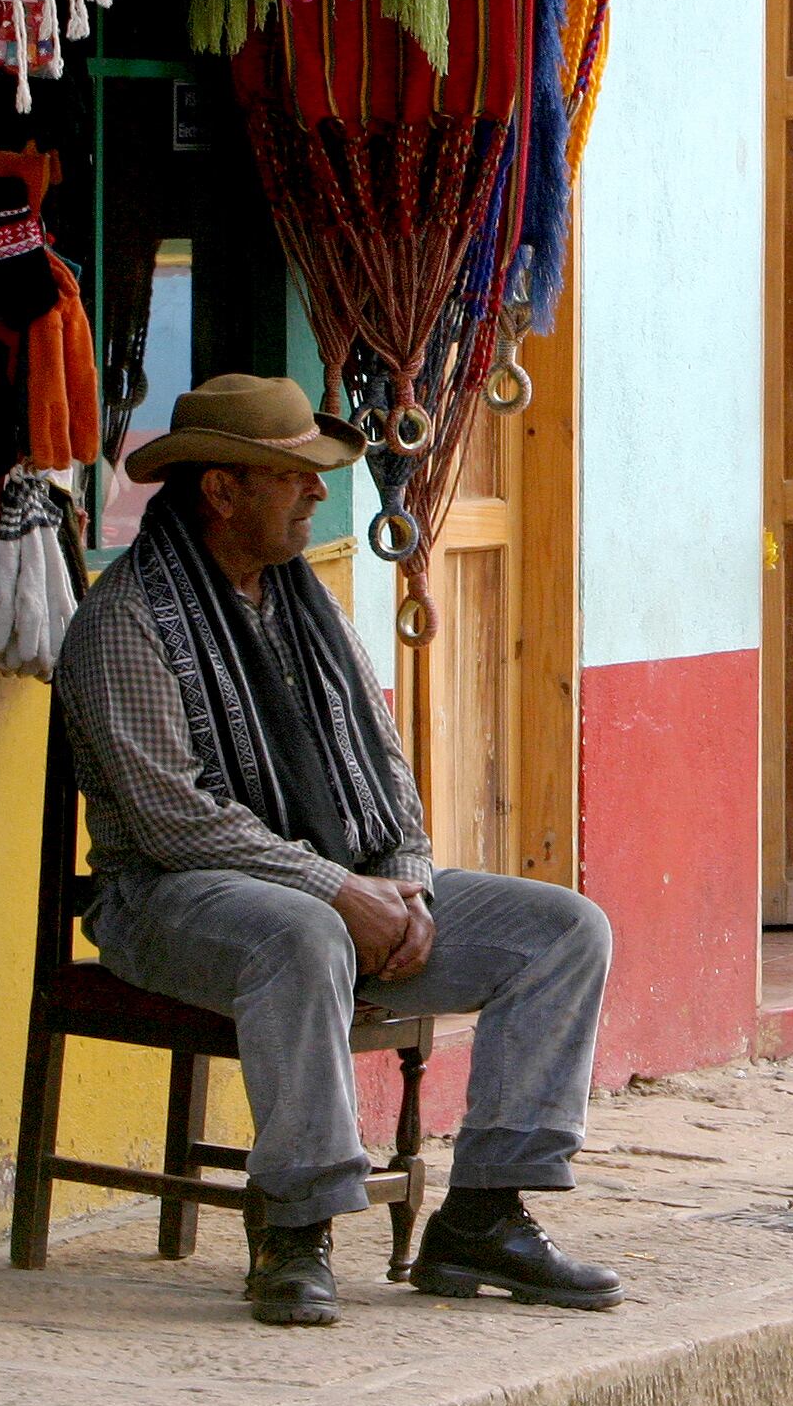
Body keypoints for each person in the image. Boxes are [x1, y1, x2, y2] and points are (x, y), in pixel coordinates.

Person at [54, 373, 620, 1327]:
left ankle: (484, 1214)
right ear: (221, 492)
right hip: (169, 902)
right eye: (292, 476)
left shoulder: (306, 609)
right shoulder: (125, 622)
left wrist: (403, 886)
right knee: (301, 935)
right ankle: (293, 1222)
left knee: (565, 928)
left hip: (342, 884)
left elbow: (385, 768)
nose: (319, 491)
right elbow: (174, 823)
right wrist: (340, 893)